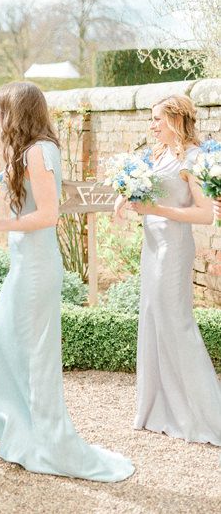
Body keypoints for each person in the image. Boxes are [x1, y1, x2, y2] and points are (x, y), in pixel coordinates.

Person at [0, 81, 134, 481]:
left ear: (17, 112)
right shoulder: (27, 150)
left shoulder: (40, 151)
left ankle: (40, 439)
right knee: (1, 340)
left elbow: (49, 215)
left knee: (33, 353)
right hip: (24, 262)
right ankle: (1, 427)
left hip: (38, 266)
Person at [115, 95, 221, 445]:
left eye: (157, 119)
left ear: (176, 119)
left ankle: (203, 413)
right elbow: (141, 187)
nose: (152, 125)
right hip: (152, 246)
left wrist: (156, 208)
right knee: (152, 317)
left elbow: (206, 214)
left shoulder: (194, 158)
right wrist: (124, 197)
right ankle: (158, 408)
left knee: (175, 322)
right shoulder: (158, 154)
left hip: (174, 248)